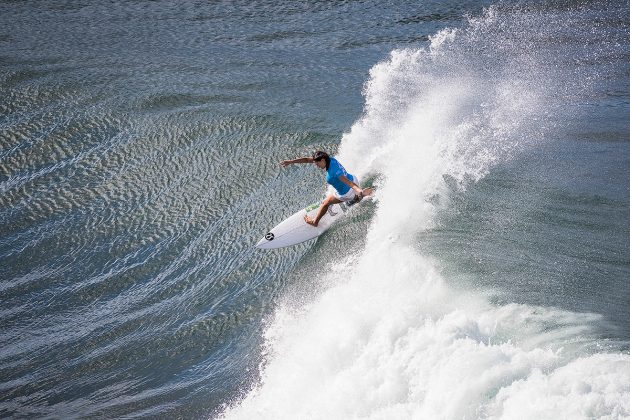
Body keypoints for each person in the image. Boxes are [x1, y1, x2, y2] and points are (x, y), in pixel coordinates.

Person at [280, 151, 369, 227]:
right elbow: (307, 159)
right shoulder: (330, 159)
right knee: (352, 192)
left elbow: (350, 184)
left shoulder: (334, 172)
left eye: (317, 163)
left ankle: (315, 222)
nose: (316, 166)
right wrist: (291, 161)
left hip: (347, 192)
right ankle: (357, 197)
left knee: (325, 203)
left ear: (322, 160)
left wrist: (358, 190)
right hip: (353, 179)